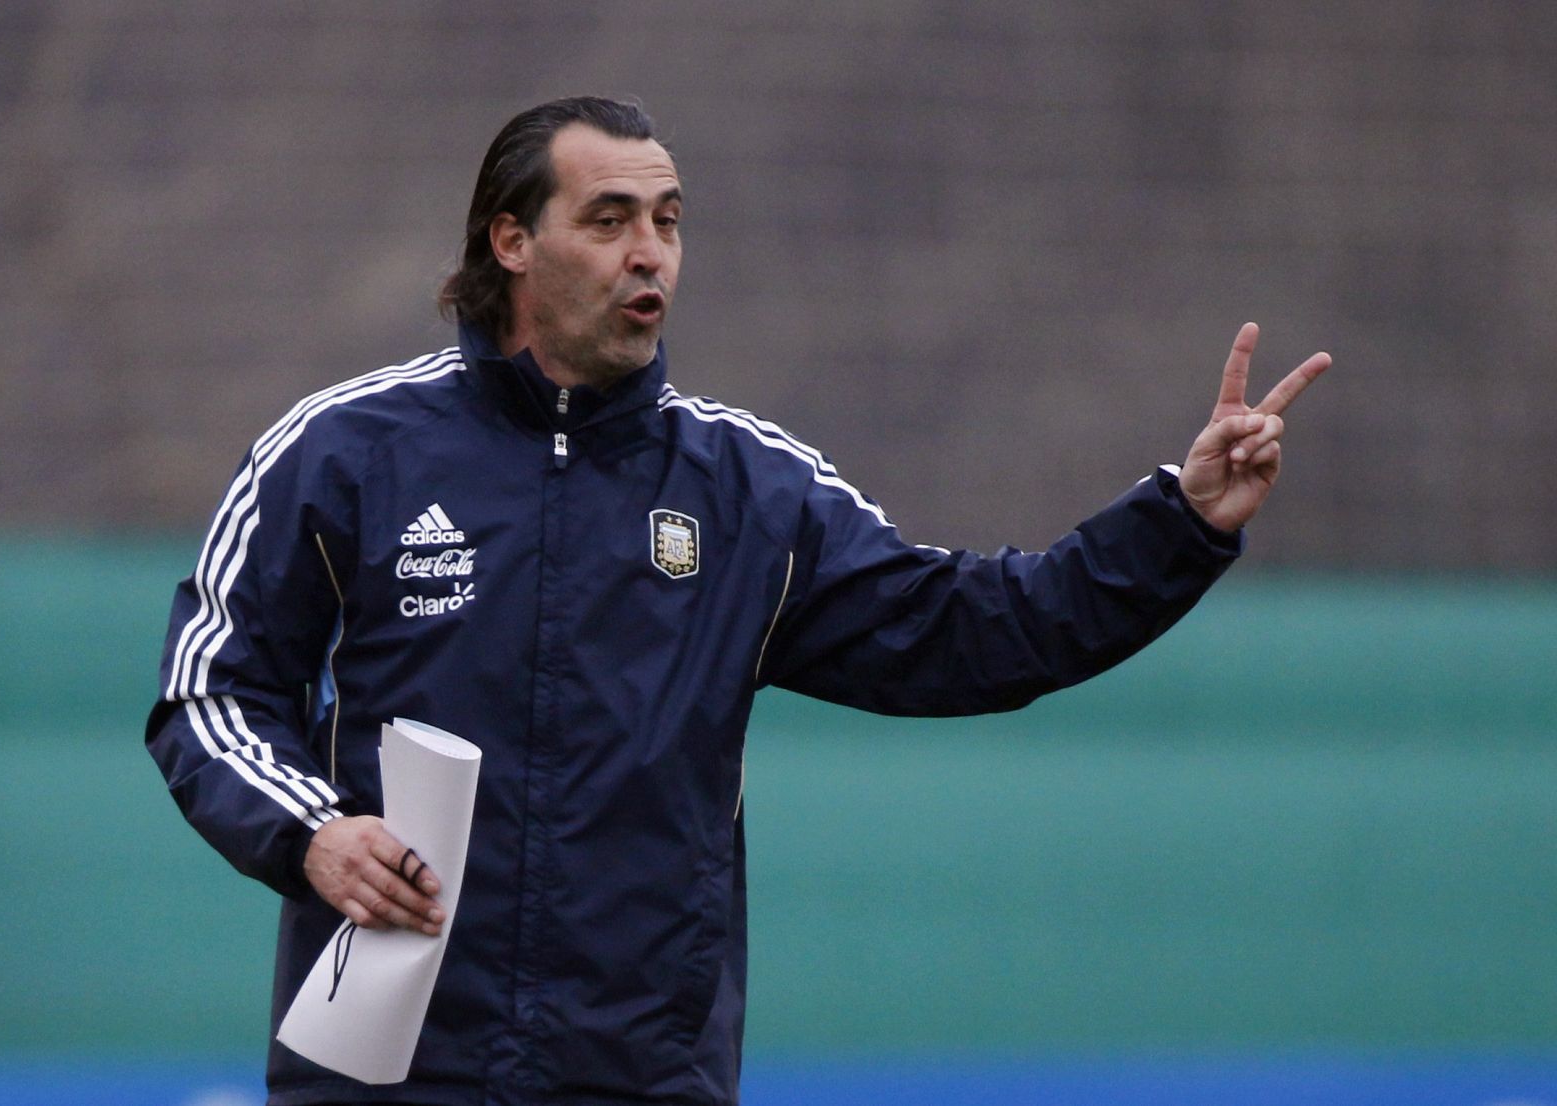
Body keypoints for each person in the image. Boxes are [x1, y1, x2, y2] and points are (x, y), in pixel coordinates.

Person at [146, 95, 1328, 1106]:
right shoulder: (346, 451)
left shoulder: (749, 490)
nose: (649, 252)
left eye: (666, 222)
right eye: (607, 220)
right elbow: (210, 692)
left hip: (639, 1073)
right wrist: (313, 832)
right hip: (384, 1071)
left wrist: (1179, 520)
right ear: (510, 239)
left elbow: (974, 630)